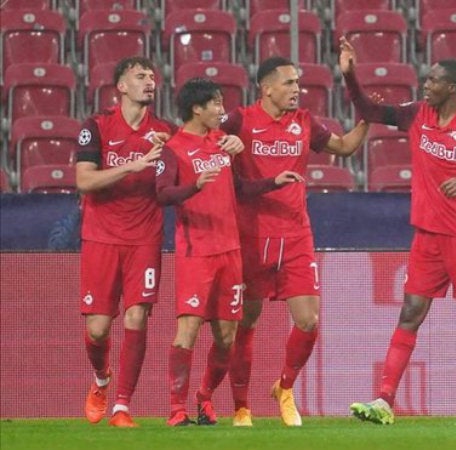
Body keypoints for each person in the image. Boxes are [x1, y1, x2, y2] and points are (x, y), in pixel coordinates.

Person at [340, 37, 456, 425]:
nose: (426, 85)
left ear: (454, 88)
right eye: (427, 79)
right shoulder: (417, 114)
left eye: (435, 81)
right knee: (410, 311)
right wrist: (349, 75)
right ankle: (385, 400)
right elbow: (370, 110)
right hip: (427, 235)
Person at [220, 56, 369, 427]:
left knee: (309, 320)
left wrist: (369, 119)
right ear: (266, 87)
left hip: (296, 235)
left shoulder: (304, 122)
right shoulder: (240, 120)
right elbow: (205, 143)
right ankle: (241, 406)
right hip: (251, 235)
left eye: (298, 83)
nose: (296, 90)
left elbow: (345, 146)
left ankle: (284, 389)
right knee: (246, 322)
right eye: (288, 83)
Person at [76, 56, 175, 427]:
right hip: (100, 237)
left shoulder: (165, 131)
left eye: (152, 76)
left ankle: (122, 406)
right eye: (140, 76)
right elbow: (85, 181)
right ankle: (101, 379)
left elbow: (195, 157)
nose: (149, 81)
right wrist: (131, 167)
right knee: (98, 329)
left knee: (137, 317)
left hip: (145, 239)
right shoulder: (97, 126)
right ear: (121, 86)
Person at [156, 78, 252, 426]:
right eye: (214, 103)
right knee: (189, 330)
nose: (220, 110)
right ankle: (176, 409)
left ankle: (204, 397)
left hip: (231, 250)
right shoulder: (175, 147)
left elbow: (239, 188)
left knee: (227, 337)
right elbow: (162, 194)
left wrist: (273, 182)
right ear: (196, 108)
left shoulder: (223, 144)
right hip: (196, 252)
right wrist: (193, 187)